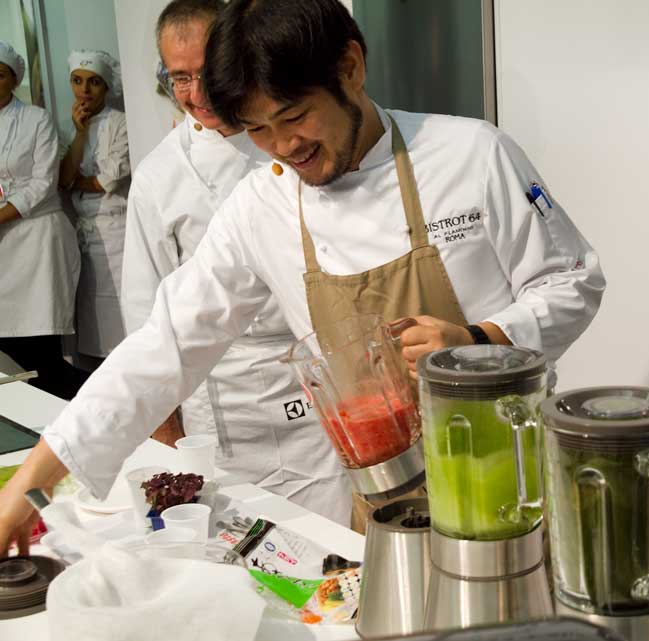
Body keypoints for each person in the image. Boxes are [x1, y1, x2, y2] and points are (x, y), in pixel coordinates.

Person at [0, 0, 605, 553]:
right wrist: (29, 488)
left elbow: (573, 280)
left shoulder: (474, 154)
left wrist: (479, 343)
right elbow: (164, 346)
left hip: (511, 486)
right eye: (257, 130)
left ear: (350, 67)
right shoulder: (262, 207)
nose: (284, 146)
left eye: (293, 116)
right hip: (385, 507)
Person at [122, 0, 350, 517]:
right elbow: (145, 321)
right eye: (179, 78)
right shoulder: (158, 180)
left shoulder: (297, 147)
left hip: (308, 376)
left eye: (206, 74)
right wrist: (166, 436)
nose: (196, 94)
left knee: (336, 544)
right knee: (238, 547)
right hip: (219, 397)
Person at [0, 41, 86, 400]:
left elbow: (42, 183)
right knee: (16, 350)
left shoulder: (37, 119)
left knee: (42, 355)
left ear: (13, 78)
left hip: (38, 243)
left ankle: (108, 406)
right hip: (5, 247)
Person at [60, 50, 130, 365]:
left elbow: (108, 181)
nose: (84, 91)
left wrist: (78, 180)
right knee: (92, 323)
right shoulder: (70, 126)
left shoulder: (121, 123)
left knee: (123, 320)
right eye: (77, 81)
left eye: (94, 83)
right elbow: (64, 179)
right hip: (85, 235)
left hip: (118, 232)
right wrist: (80, 133)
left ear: (106, 86)